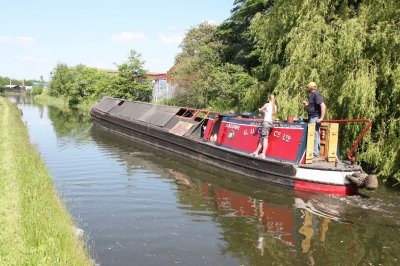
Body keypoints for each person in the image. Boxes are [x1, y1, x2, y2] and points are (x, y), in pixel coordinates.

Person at [303, 82, 326, 159]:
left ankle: (315, 154)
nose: (307, 89)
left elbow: (323, 105)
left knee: (314, 135)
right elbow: (313, 107)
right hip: (312, 117)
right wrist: (307, 105)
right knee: (313, 135)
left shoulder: (316, 94)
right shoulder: (313, 95)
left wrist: (321, 118)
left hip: (315, 118)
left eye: (308, 87)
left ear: (310, 87)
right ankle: (313, 152)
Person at [252, 95, 277, 159]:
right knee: (262, 138)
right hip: (271, 123)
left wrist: (260, 109)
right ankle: (256, 152)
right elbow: (270, 113)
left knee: (265, 139)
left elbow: (260, 110)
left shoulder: (267, 104)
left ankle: (263, 154)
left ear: (269, 99)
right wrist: (264, 111)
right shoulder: (275, 106)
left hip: (266, 123)